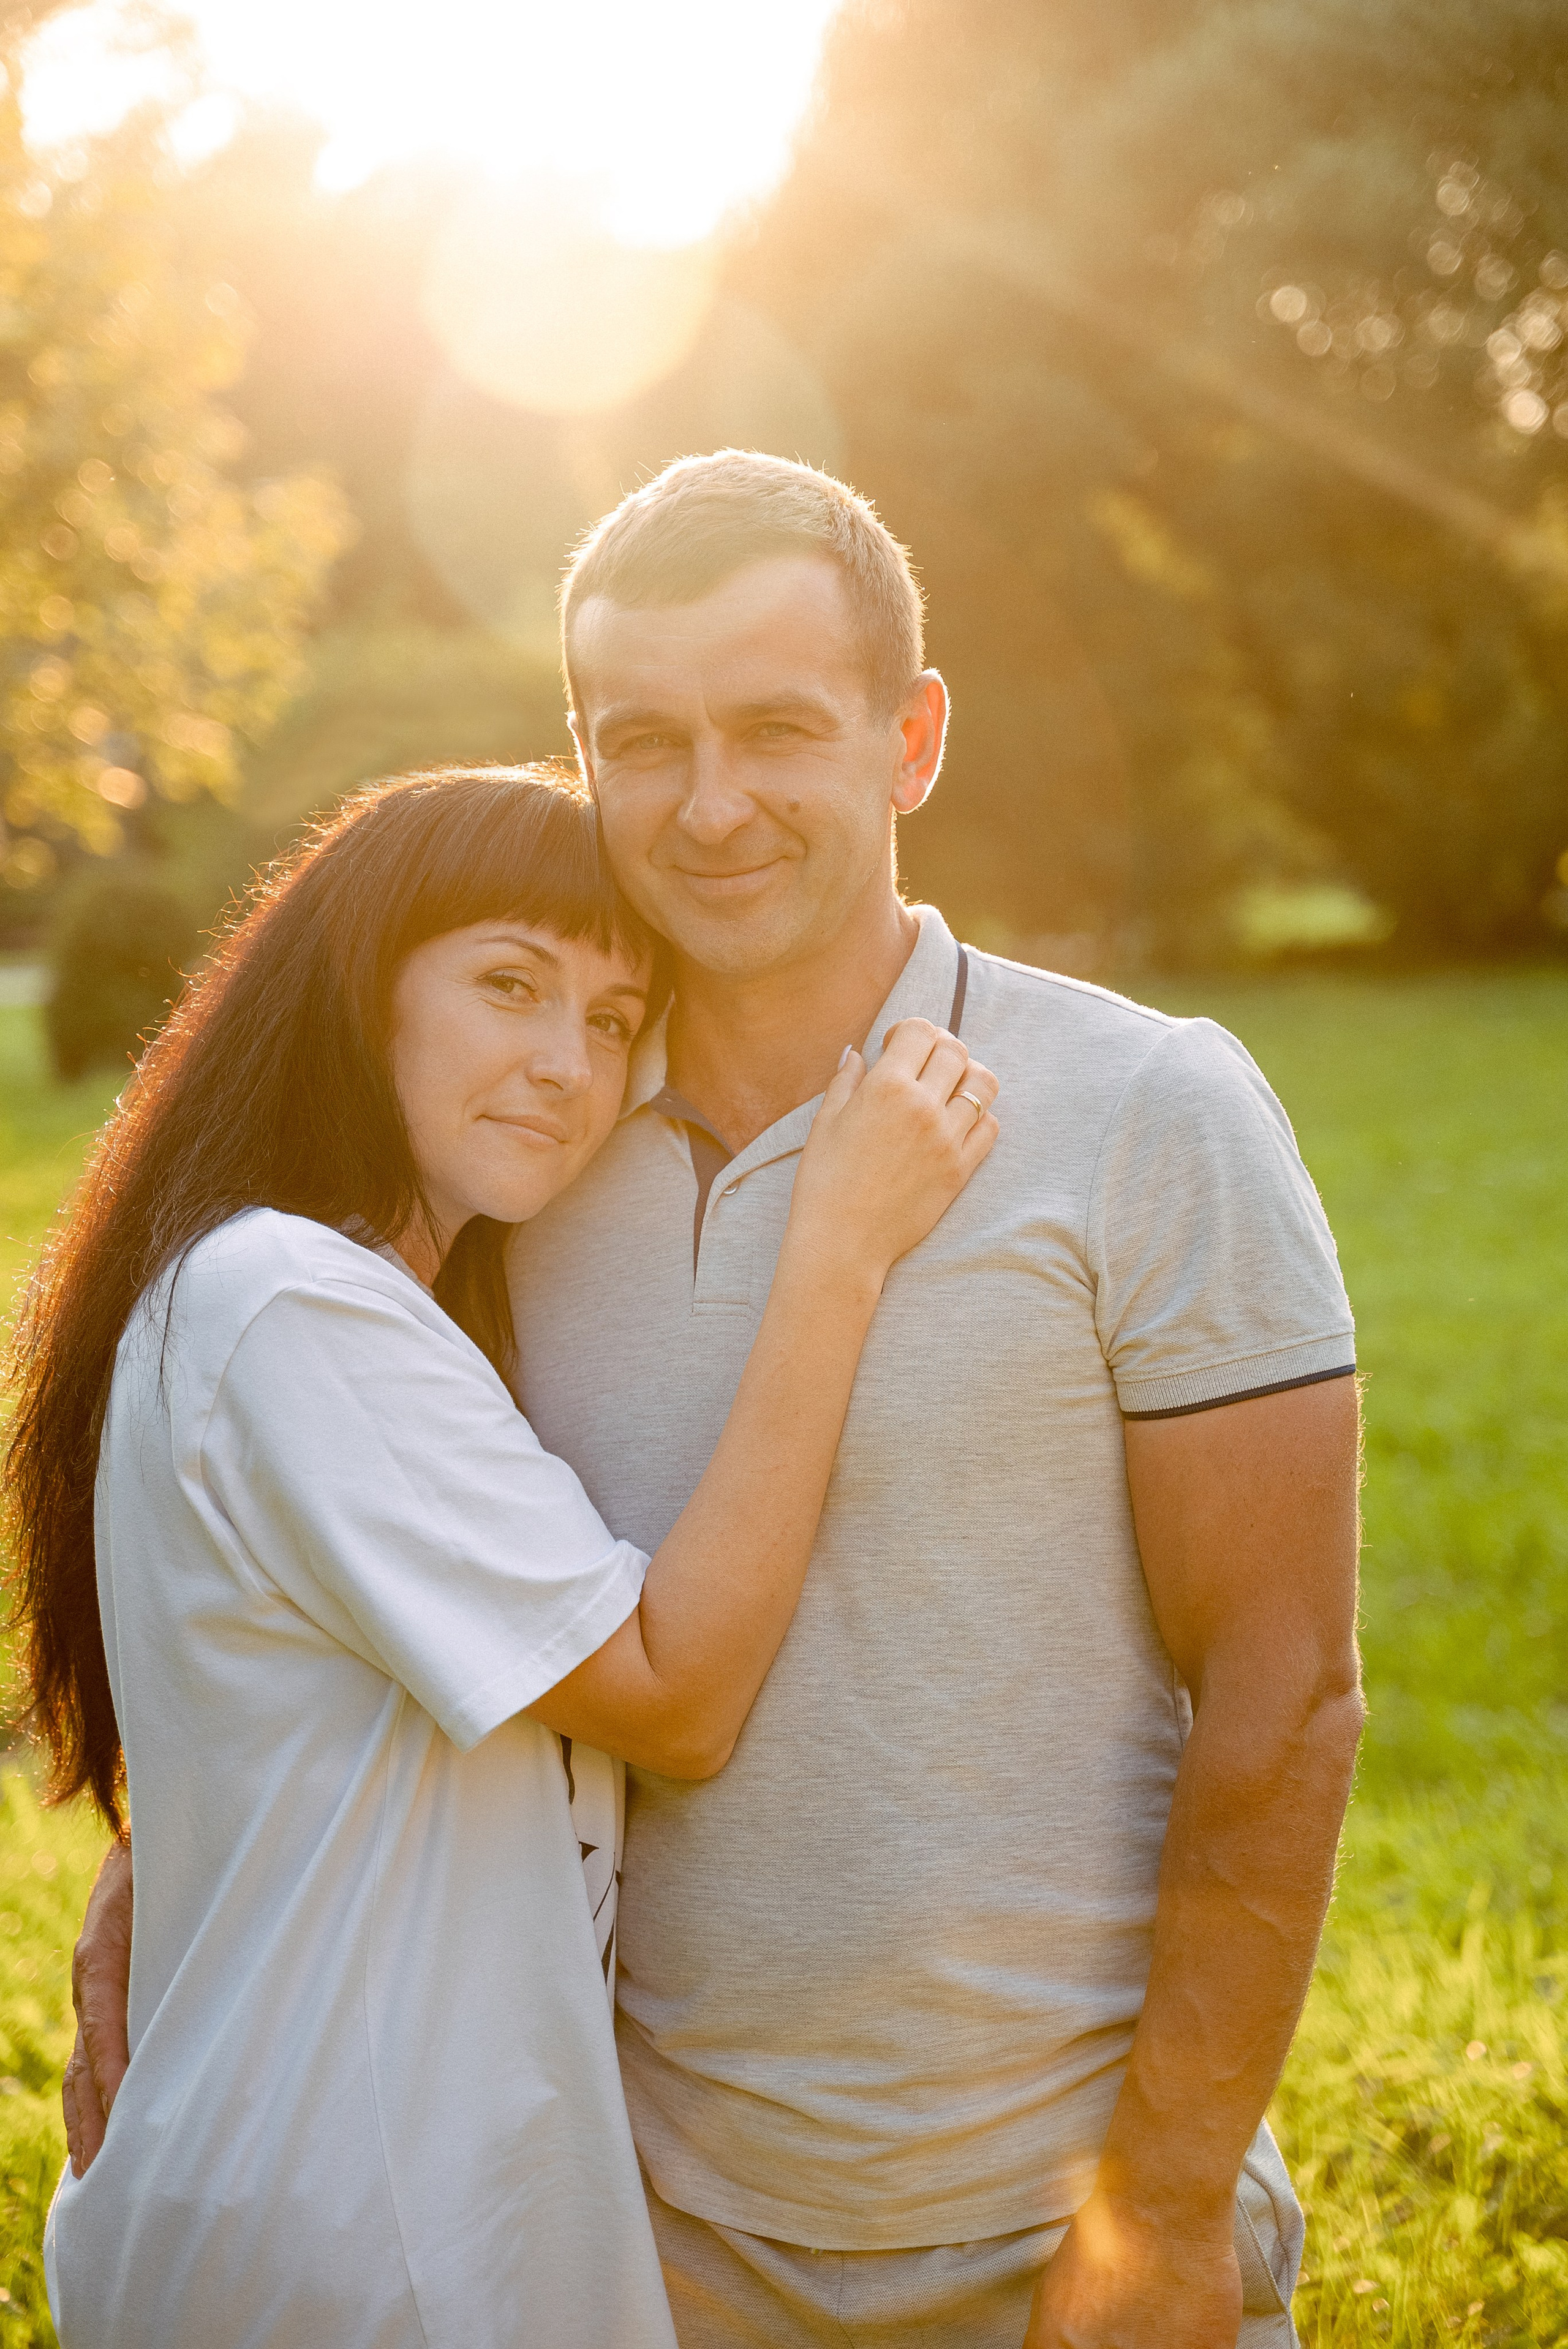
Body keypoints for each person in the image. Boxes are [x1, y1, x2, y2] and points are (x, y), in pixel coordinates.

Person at [66, 452, 1364, 2349]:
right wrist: (179, 1856)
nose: (712, 802)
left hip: (1053, 2236)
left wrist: (1163, 2205)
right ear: (586, 759)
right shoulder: (533, 1134)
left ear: (911, 739)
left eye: (776, 729)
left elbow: (1286, 1688)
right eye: (646, 741)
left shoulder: (1149, 1110)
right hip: (636, 2249)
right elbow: (376, 1545)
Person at [5, 763, 997, 2349]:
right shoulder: (298, 1305)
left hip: (367, 2213)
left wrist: (162, 1859)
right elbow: (673, 1696)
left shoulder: (299, 1294)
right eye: (510, 985)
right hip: (357, 2250)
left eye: (613, 1019)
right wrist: (840, 1243)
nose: (566, 1064)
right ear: (362, 988)